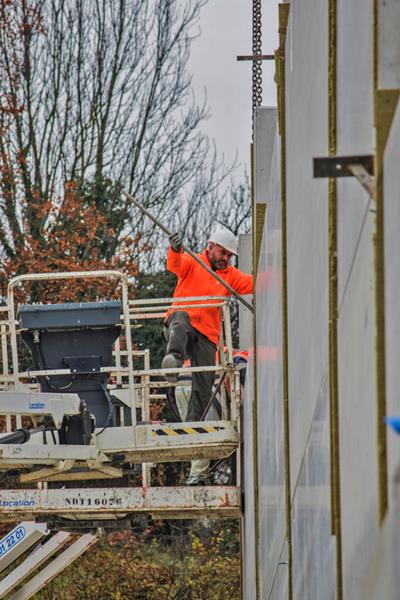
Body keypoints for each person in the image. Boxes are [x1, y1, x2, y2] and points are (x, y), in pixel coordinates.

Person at [162, 225, 253, 422]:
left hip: (207, 335)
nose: (226, 259)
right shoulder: (193, 261)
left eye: (230, 256)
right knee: (181, 316)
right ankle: (173, 360)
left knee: (205, 382)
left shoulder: (230, 275)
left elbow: (250, 283)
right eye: (223, 253)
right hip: (181, 328)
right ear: (210, 247)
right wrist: (175, 249)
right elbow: (175, 265)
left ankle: (192, 424)